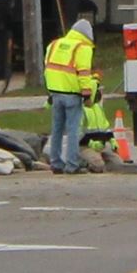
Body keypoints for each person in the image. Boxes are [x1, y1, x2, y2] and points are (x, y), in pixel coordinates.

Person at [43, 15, 98, 174]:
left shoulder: (54, 44)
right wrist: (87, 94)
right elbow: (84, 73)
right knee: (73, 130)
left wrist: (50, 91)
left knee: (57, 129)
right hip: (72, 95)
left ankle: (56, 163)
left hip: (55, 93)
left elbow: (48, 68)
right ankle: (72, 164)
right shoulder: (82, 48)